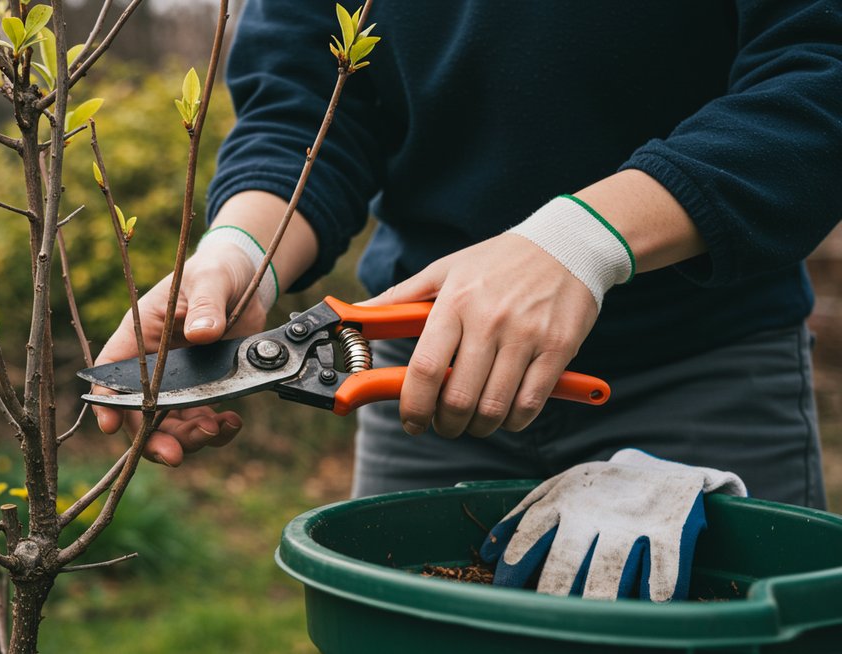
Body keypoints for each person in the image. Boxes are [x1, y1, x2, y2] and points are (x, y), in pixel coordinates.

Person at [91, 0, 841, 511]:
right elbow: (312, 107)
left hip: (704, 369)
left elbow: (820, 70)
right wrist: (236, 256)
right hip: (422, 382)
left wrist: (582, 241)